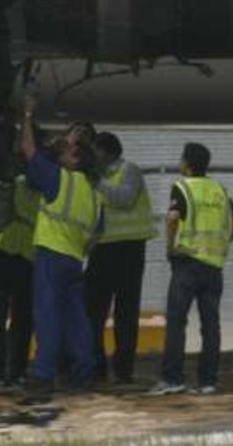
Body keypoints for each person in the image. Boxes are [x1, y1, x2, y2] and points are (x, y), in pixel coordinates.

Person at [21, 98, 103, 401]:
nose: (62, 153)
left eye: (67, 150)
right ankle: (84, 372)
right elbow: (97, 235)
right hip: (74, 260)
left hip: (51, 257)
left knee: (48, 317)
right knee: (77, 320)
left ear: (75, 159)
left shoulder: (59, 179)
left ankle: (42, 377)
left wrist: (27, 114)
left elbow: (29, 151)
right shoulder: (95, 196)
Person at [151, 142, 233, 396]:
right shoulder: (219, 190)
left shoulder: (183, 186)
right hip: (214, 267)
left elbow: (172, 219)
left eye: (182, 159)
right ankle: (208, 381)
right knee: (211, 324)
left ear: (187, 164)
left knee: (177, 321)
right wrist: (223, 243)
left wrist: (171, 248)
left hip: (188, 263)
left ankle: (173, 379)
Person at [85, 131, 157, 383]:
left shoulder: (129, 170)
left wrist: (97, 183)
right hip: (103, 250)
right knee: (93, 312)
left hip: (128, 249)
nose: (91, 157)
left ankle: (124, 371)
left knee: (126, 313)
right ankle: (96, 368)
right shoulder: (95, 178)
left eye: (94, 151)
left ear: (106, 151)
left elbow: (124, 198)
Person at [0, 174, 39, 387]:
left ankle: (9, 373)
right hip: (15, 255)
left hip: (18, 256)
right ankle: (6, 372)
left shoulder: (37, 188)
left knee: (16, 319)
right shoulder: (19, 185)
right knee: (10, 319)